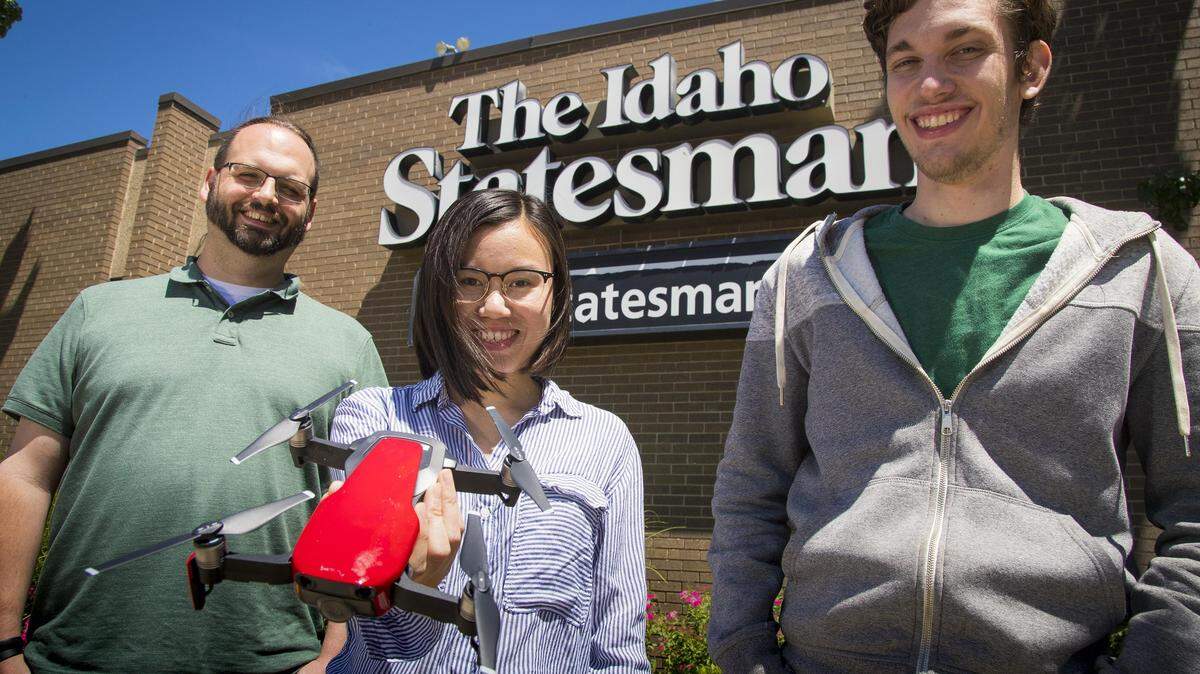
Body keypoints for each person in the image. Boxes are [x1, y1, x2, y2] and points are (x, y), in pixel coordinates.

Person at [708, 0, 1200, 672]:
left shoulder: (1142, 272)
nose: (930, 85)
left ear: (1031, 67)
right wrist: (743, 654)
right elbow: (749, 491)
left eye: (965, 49)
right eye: (905, 61)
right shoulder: (806, 276)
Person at [0, 117, 388, 674]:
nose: (266, 196)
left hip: (276, 660)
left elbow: (368, 506)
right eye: (248, 174)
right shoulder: (97, 311)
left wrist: (334, 653)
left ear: (311, 209)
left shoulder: (349, 345)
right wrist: (4, 645)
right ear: (209, 181)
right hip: (75, 656)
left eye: (290, 187)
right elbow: (24, 475)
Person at [322, 189, 650, 673]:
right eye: (469, 281)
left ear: (555, 290)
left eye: (521, 282)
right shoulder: (375, 423)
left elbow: (618, 650)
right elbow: (380, 643)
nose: (494, 307)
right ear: (438, 292)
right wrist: (421, 584)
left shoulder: (603, 440)